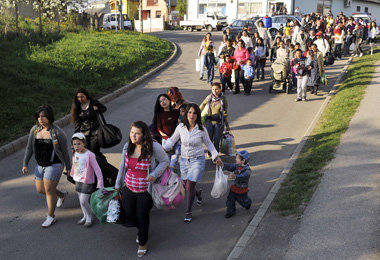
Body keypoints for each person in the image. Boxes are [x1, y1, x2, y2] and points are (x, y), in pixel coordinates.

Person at [115, 121, 169, 257]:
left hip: (145, 191)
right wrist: (118, 183)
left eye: (137, 133)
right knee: (129, 215)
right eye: (132, 132)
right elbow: (123, 165)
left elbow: (165, 161)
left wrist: (154, 174)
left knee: (142, 216)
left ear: (143, 135)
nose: (133, 136)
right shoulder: (128, 146)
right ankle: (141, 231)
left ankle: (143, 242)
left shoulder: (154, 147)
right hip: (128, 187)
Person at [163, 104, 223, 223]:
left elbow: (209, 144)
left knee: (189, 186)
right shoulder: (180, 127)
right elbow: (171, 141)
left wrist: (216, 156)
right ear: (186, 114)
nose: (191, 115)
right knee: (188, 186)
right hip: (184, 160)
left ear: (197, 115)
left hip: (198, 160)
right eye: (189, 112)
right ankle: (198, 194)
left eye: (194, 113)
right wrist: (161, 149)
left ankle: (188, 211)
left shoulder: (202, 129)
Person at [22, 105, 71, 227]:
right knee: (41, 189)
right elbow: (29, 148)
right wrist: (25, 164)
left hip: (55, 164)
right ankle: (62, 195)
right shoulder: (35, 130)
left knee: (49, 190)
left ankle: (51, 216)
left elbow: (65, 152)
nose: (41, 119)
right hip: (40, 165)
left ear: (49, 117)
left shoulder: (58, 132)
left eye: (43, 116)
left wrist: (69, 167)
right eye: (39, 116)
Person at [70, 133, 104, 227]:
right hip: (77, 180)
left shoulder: (90, 155)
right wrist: (72, 173)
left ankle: (90, 216)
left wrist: (100, 183)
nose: (76, 146)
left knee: (83, 201)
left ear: (84, 143)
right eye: (74, 144)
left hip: (87, 181)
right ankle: (85, 216)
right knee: (81, 200)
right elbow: (75, 164)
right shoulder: (75, 153)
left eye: (79, 144)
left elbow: (97, 169)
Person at [71, 88, 107, 156]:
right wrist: (75, 137)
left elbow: (104, 108)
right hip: (84, 134)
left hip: (95, 132)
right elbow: (77, 123)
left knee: (93, 153)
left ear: (86, 96)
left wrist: (97, 110)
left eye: (82, 96)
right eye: (78, 97)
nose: (80, 99)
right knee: (86, 153)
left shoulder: (93, 102)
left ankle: (102, 165)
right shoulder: (77, 106)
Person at [200, 82, 230, 151]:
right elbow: (202, 105)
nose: (214, 91)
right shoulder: (209, 97)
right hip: (209, 122)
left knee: (216, 140)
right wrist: (196, 113)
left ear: (220, 89)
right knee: (209, 139)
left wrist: (227, 125)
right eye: (213, 89)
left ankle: (215, 156)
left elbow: (225, 113)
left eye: (216, 89)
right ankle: (210, 152)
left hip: (219, 123)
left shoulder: (223, 99)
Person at [223, 150, 252, 218]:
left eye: (237, 158)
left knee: (243, 202)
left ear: (243, 160)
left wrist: (235, 176)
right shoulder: (236, 165)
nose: (235, 159)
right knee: (230, 201)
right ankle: (230, 211)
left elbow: (242, 176)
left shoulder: (247, 170)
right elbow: (230, 166)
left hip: (242, 191)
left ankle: (248, 203)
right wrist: (222, 164)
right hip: (233, 189)